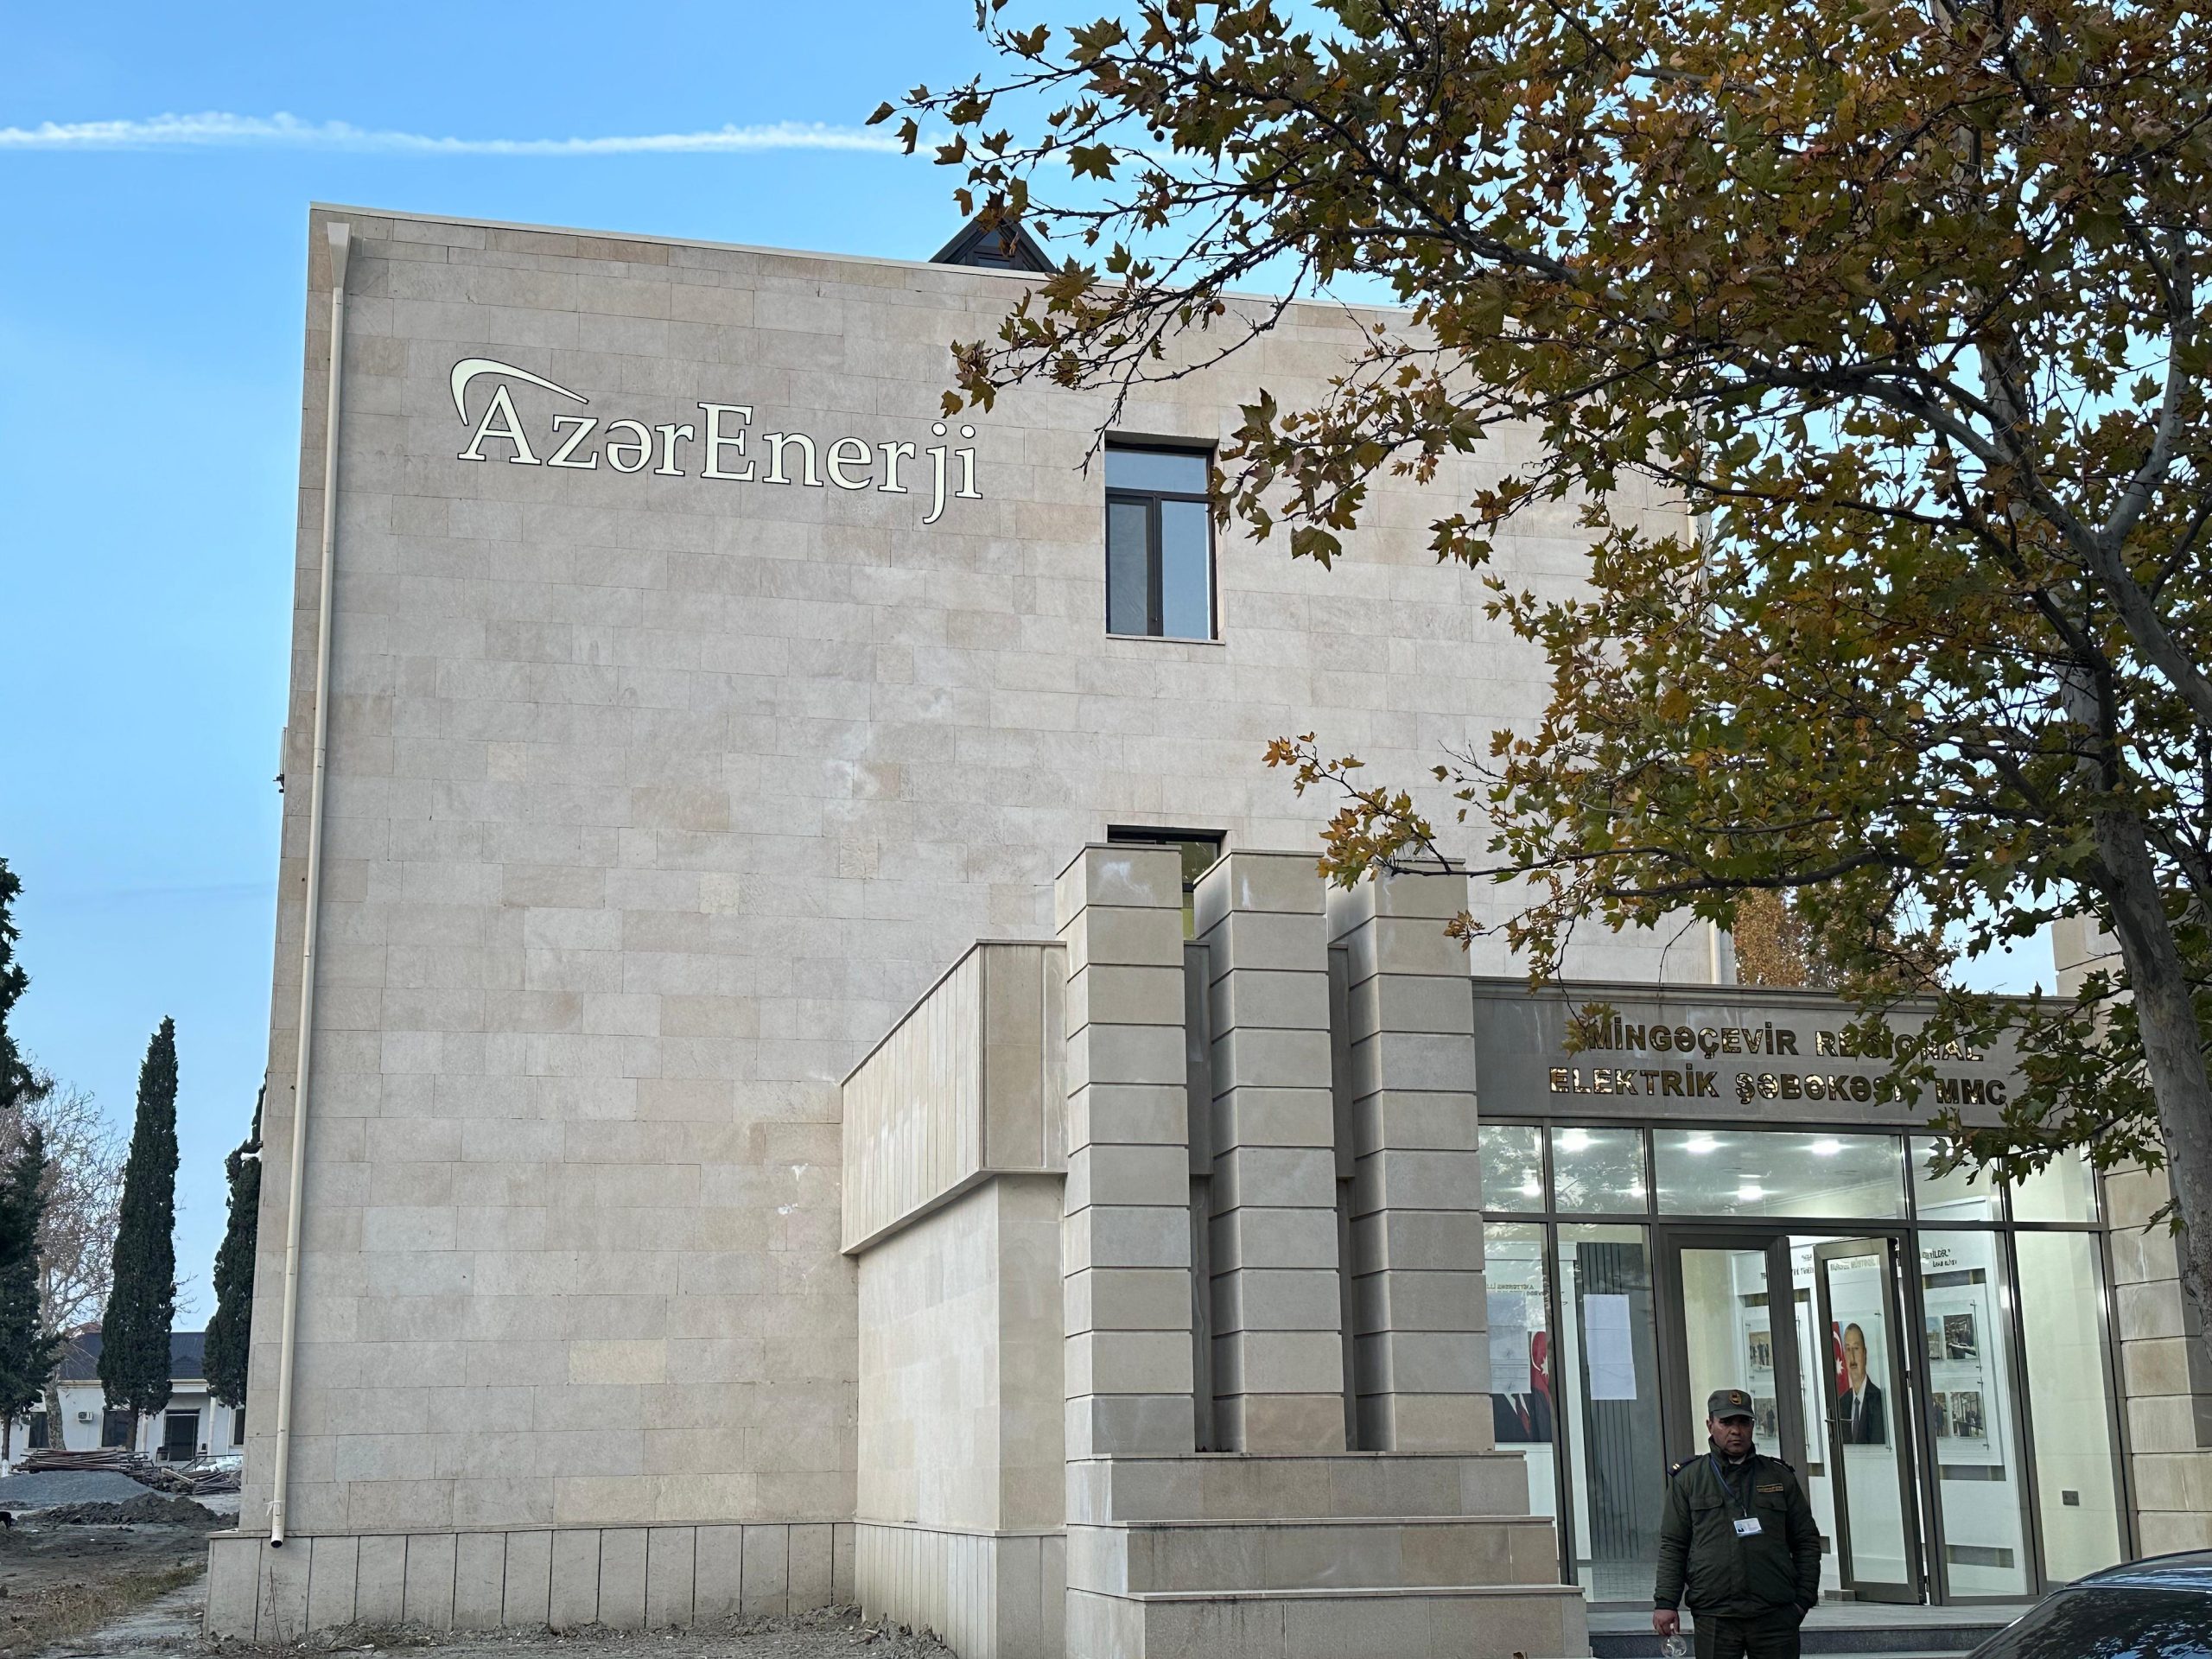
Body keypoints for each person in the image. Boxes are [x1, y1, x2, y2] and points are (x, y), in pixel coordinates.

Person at [1654, 1388, 1821, 1659]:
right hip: (1715, 1615)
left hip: (1775, 1614)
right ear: (1710, 1425)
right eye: (1726, 1422)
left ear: (1753, 1425)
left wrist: (1803, 1600)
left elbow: (1806, 1541)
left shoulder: (1778, 1476)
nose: (1736, 1431)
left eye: (1744, 1422)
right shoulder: (1689, 1479)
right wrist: (1665, 1602)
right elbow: (1674, 1545)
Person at [1836, 1324, 1885, 1445]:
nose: (1852, 1357)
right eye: (1848, 1349)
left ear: (1865, 1354)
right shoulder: (1841, 1404)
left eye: (1856, 1348)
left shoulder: (1880, 1400)